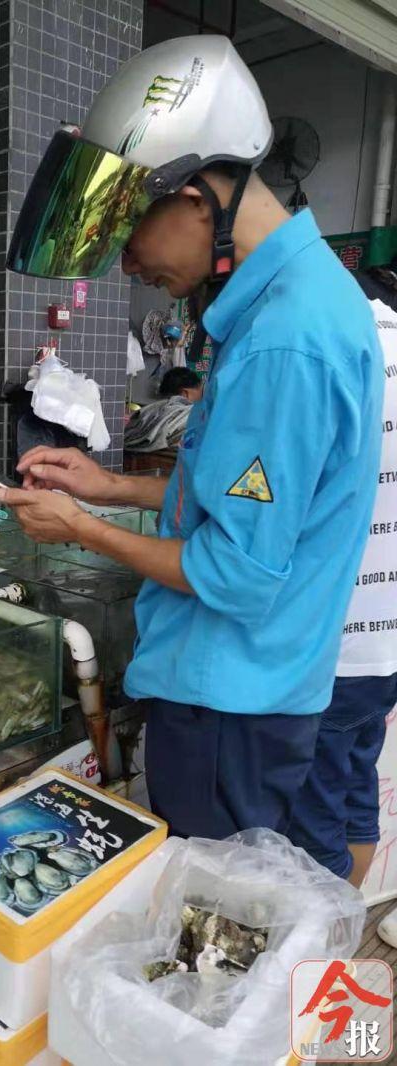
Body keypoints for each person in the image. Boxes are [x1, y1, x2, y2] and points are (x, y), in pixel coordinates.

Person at [0, 35, 383, 840]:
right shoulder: (295, 303)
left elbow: (236, 574)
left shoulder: (285, 339)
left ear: (200, 198)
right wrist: (109, 486)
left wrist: (84, 530)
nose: (125, 262)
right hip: (245, 693)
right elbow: (248, 503)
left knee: (210, 924)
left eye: (129, 227)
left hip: (229, 703)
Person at [287, 295, 397, 889]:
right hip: (386, 644)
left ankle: (321, 957)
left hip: (336, 641)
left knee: (315, 814)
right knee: (356, 786)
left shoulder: (333, 342)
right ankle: (346, 931)